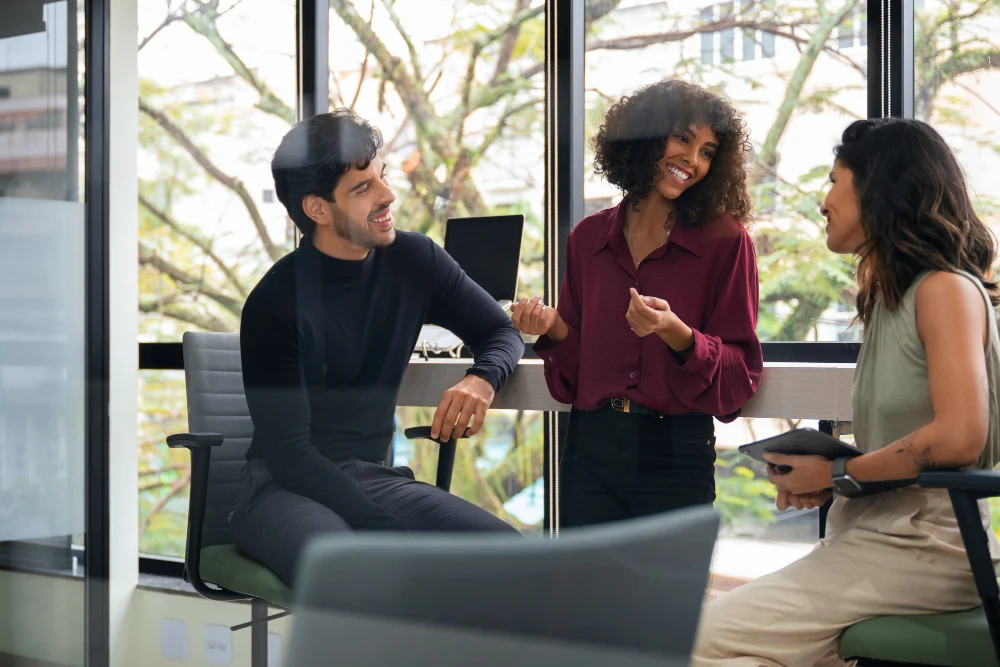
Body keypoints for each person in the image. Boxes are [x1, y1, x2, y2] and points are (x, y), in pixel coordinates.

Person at [692, 117, 1000, 667]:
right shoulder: (889, 302)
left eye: (834, 181)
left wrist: (837, 474)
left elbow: (959, 438)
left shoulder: (945, 291)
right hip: (875, 540)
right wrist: (828, 478)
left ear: (879, 190)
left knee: (693, 639)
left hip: (927, 551)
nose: (823, 200)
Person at [234, 109, 522, 586]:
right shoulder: (274, 304)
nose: (388, 195)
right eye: (362, 188)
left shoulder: (415, 260)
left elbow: (502, 332)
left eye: (381, 177)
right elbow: (290, 457)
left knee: (509, 557)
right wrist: (391, 533)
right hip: (281, 491)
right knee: (359, 575)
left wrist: (482, 379)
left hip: (372, 479)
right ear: (318, 208)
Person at [511, 80, 763, 527]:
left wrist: (679, 335)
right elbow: (573, 379)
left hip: (675, 451)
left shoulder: (727, 242)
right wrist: (553, 328)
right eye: (683, 138)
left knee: (663, 599)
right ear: (646, 136)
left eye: (708, 151)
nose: (692, 159)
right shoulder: (587, 239)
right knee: (583, 594)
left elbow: (739, 377)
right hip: (589, 447)